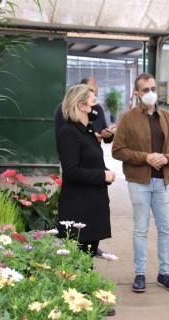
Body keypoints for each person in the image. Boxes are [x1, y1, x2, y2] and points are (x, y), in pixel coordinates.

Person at [112, 73, 169, 293]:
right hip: (139, 182)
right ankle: (140, 274)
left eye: (153, 88)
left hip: (162, 182)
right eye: (145, 89)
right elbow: (117, 150)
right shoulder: (127, 118)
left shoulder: (168, 117)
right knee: (141, 230)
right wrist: (145, 157)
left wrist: (166, 158)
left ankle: (165, 273)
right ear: (137, 94)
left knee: (166, 229)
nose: (150, 93)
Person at [54, 77, 116, 260]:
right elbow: (71, 171)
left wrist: (106, 173)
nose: (96, 108)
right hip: (79, 206)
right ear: (81, 106)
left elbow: (92, 161)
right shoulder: (69, 133)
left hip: (93, 204)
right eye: (93, 102)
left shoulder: (87, 131)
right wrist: (102, 175)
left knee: (87, 258)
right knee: (79, 260)